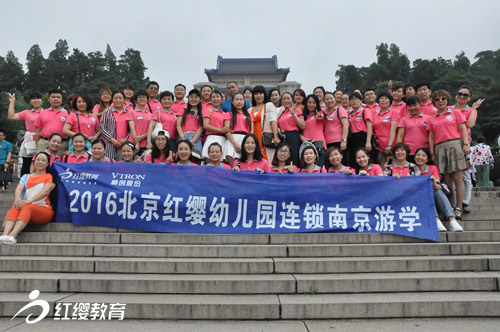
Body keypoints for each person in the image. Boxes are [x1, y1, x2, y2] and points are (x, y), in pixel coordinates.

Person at [428, 89, 470, 220]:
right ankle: (450, 205)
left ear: (447, 100)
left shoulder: (455, 112)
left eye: (443, 98)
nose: (440, 101)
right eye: (437, 99)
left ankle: (459, 207)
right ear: (434, 102)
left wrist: (465, 144)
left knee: (458, 177)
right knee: (447, 180)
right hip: (440, 148)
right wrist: (432, 152)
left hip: (455, 145)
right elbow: (431, 137)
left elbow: (463, 128)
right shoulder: (432, 118)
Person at [1, 151, 55, 244]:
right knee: (16, 205)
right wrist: (17, 199)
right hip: (26, 207)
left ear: (47, 164)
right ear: (33, 162)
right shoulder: (26, 176)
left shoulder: (49, 177)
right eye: (38, 160)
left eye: (43, 160)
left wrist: (29, 201)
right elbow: (19, 188)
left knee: (27, 207)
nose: (40, 162)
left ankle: (13, 235)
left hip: (43, 209)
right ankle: (5, 234)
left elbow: (45, 191)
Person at [451, 85, 485, 213]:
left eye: (466, 95)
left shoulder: (470, 110)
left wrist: (475, 109)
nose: (462, 97)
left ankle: (465, 201)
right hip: (450, 144)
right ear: (456, 95)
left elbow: (470, 124)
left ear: (469, 98)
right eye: (460, 94)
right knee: (452, 174)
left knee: (465, 175)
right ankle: (455, 200)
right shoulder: (449, 109)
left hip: (463, 144)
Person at [414, 147, 464, 232]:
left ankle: (452, 220)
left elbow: (437, 184)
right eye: (418, 155)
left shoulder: (432, 168)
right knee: (427, 192)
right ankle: (436, 220)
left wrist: (432, 181)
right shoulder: (412, 168)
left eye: (423, 156)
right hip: (420, 196)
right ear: (414, 157)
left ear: (427, 159)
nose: (420, 157)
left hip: (434, 193)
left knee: (438, 191)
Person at [8, 92, 42, 176]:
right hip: (30, 141)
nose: (36, 100)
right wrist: (12, 103)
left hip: (42, 140)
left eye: (38, 98)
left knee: (41, 163)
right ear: (30, 102)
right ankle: (24, 184)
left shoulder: (47, 112)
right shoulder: (27, 113)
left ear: (41, 100)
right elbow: (11, 116)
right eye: (33, 99)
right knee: (27, 164)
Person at [34, 89, 69, 156]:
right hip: (44, 142)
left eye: (58, 97)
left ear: (62, 100)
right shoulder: (42, 113)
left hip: (61, 144)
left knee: (59, 164)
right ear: (49, 99)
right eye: (53, 97)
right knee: (41, 164)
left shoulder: (68, 113)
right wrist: (38, 144)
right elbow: (38, 131)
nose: (56, 99)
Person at [249, 85, 279, 163]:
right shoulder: (249, 110)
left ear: (264, 94)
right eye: (256, 94)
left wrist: (275, 137)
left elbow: (273, 121)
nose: (258, 96)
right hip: (253, 138)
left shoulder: (269, 105)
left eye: (261, 93)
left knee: (267, 160)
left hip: (265, 138)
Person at [396, 96, 431, 161]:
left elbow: (431, 137)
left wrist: (431, 151)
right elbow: (400, 137)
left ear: (420, 105)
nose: (412, 108)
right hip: (408, 152)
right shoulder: (404, 119)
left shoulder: (428, 119)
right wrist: (399, 151)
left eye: (415, 105)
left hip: (424, 152)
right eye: (410, 106)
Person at [225, 93, 254, 167]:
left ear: (244, 102)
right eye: (237, 100)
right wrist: (234, 143)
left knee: (243, 160)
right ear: (232, 102)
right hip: (232, 138)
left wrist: (248, 141)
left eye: (241, 100)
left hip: (245, 138)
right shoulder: (229, 114)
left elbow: (252, 131)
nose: (239, 102)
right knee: (230, 156)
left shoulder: (248, 115)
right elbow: (227, 130)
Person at [100, 91, 130, 161]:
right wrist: (112, 139)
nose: (118, 100)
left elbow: (131, 129)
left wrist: (125, 139)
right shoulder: (107, 112)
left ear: (124, 99)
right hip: (109, 145)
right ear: (112, 100)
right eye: (116, 98)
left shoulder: (128, 113)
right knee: (109, 166)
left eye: (120, 98)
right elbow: (102, 128)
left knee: (121, 168)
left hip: (124, 146)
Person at [278, 92, 305, 166]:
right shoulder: (282, 113)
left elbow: (302, 125)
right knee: (284, 159)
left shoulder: (297, 110)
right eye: (284, 99)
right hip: (283, 138)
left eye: (288, 98)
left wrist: (294, 114)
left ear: (292, 100)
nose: (286, 100)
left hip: (293, 137)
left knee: (294, 158)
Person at [372, 92, 399, 164]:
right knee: (382, 168)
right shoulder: (375, 115)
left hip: (392, 146)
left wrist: (389, 145)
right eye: (381, 98)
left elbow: (393, 129)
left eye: (386, 99)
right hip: (379, 148)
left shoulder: (394, 112)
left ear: (390, 101)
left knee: (394, 167)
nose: (383, 100)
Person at [202, 90, 230, 160]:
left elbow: (227, 128)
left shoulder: (226, 114)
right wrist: (220, 130)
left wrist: (222, 130)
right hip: (210, 137)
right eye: (213, 97)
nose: (215, 99)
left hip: (222, 139)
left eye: (217, 97)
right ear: (210, 100)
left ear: (221, 99)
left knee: (221, 161)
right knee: (208, 160)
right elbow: (206, 125)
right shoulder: (208, 111)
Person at [348, 92, 373, 167]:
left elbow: (369, 126)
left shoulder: (365, 111)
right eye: (352, 99)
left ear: (361, 101)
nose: (354, 101)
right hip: (353, 139)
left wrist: (368, 141)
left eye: (356, 99)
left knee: (365, 158)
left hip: (363, 137)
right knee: (354, 160)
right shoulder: (350, 114)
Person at [301, 94, 326, 166]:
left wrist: (319, 116)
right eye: (309, 102)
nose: (311, 104)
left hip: (319, 145)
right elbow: (299, 131)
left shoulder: (319, 113)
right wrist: (303, 138)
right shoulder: (303, 116)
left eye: (314, 103)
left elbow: (321, 117)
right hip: (306, 145)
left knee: (319, 168)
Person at [177, 89, 204, 154]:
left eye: (196, 97)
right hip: (184, 136)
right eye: (191, 97)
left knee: (196, 157)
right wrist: (183, 138)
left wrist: (192, 141)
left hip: (196, 138)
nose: (193, 99)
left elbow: (201, 128)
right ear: (188, 98)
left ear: (200, 99)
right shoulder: (183, 110)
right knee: (182, 157)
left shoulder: (202, 112)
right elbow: (178, 125)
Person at [128, 90, 153, 157]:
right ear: (136, 100)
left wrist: (141, 137)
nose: (142, 99)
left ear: (147, 99)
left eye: (144, 97)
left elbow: (151, 130)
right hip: (132, 142)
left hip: (145, 144)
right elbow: (132, 128)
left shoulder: (150, 115)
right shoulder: (132, 112)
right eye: (140, 97)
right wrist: (137, 142)